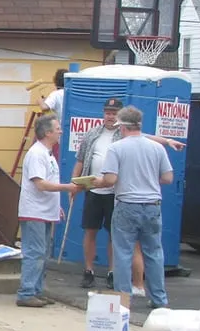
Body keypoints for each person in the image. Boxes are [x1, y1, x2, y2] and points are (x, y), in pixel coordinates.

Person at [72, 97, 185, 291]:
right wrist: (74, 183)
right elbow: (81, 160)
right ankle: (156, 297)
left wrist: (167, 140)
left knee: (121, 245)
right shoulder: (92, 134)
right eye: (107, 112)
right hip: (115, 196)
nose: (110, 116)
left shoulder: (120, 142)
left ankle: (119, 288)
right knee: (150, 251)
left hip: (118, 195)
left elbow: (144, 138)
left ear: (121, 121)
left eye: (114, 113)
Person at [91, 105, 174, 310]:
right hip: (152, 205)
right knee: (154, 252)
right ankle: (159, 300)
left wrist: (95, 181)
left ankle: (123, 301)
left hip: (127, 205)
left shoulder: (117, 148)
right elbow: (167, 177)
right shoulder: (156, 148)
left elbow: (110, 179)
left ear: (122, 126)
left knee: (123, 253)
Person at [16, 115, 79, 308]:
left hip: (44, 211)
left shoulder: (48, 153)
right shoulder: (37, 154)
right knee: (35, 252)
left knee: (42, 253)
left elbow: (47, 182)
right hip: (34, 211)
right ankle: (26, 293)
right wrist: (67, 188)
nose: (61, 131)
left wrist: (55, 205)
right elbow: (40, 184)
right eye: (57, 128)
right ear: (47, 132)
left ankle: (36, 290)